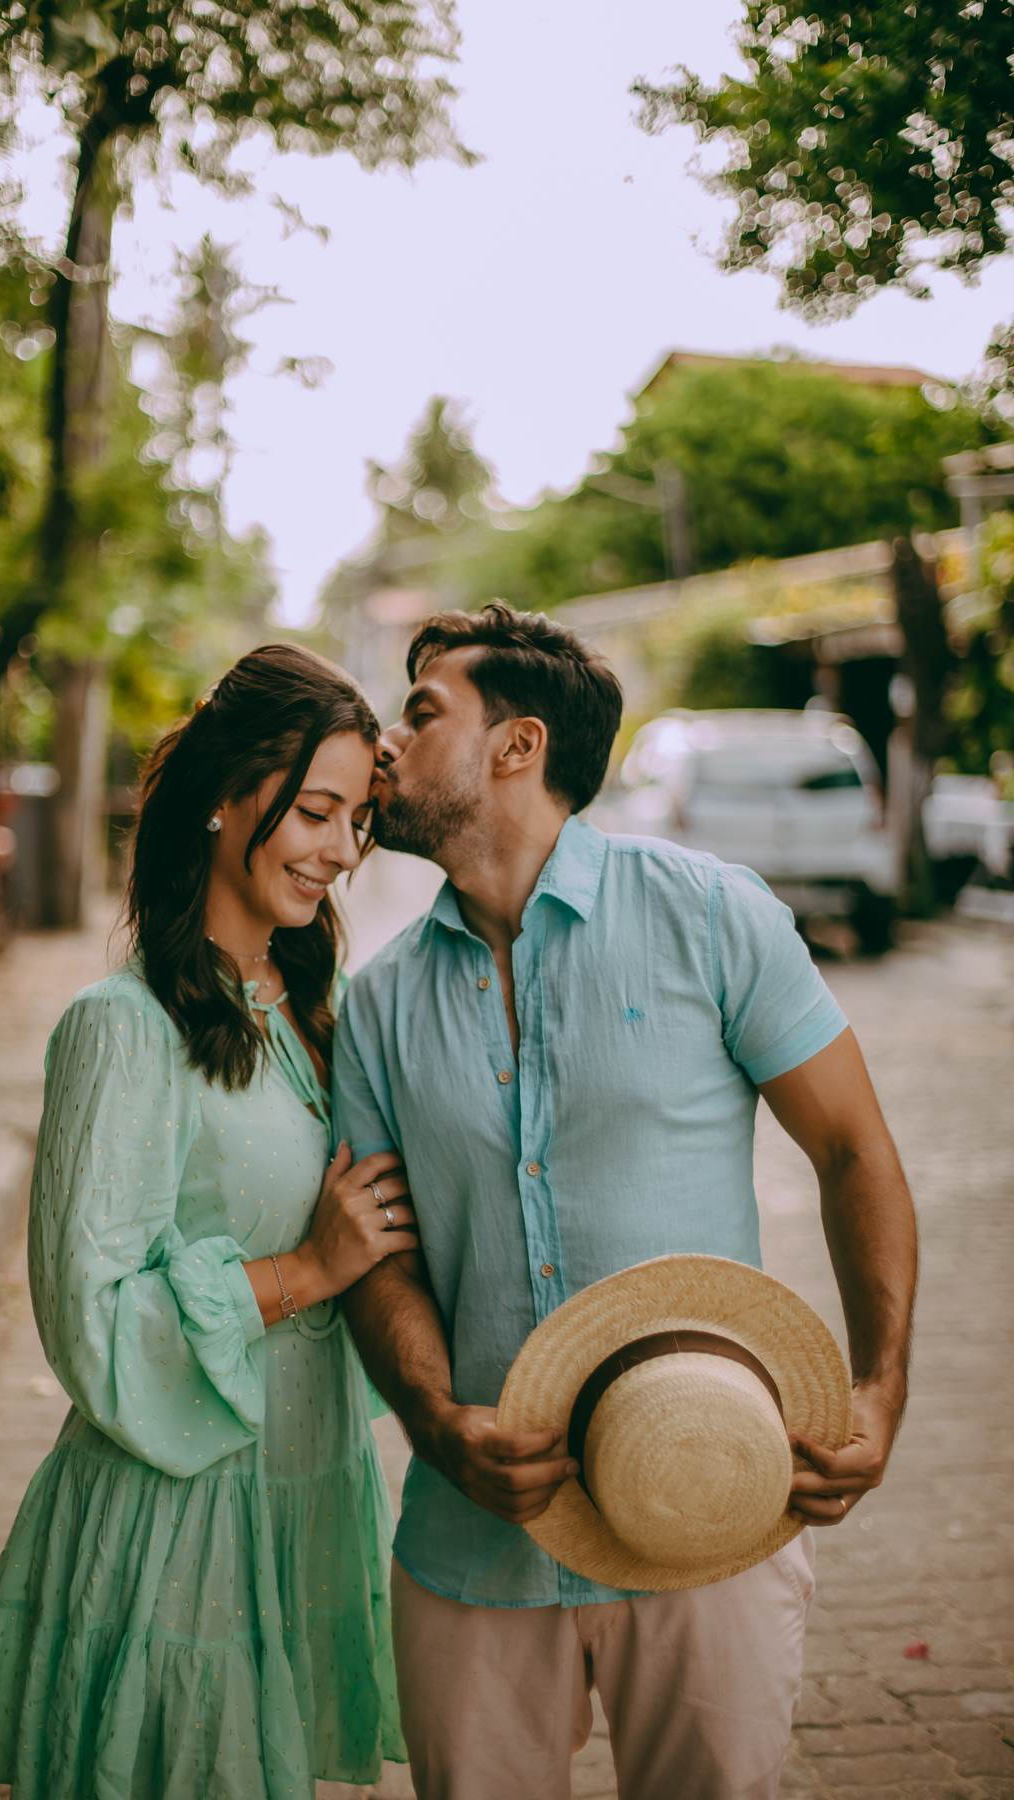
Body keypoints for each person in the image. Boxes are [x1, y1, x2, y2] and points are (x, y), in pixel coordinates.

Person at [334, 604, 918, 1800]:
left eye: (421, 711)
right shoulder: (378, 1002)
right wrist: (438, 1421)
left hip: (715, 1506)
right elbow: (377, 1252)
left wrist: (880, 1391)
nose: (383, 745)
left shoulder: (710, 915)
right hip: (469, 1542)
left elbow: (855, 1149)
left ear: (517, 745)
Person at [0, 644, 415, 1800]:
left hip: (302, 1480)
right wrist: (308, 1269)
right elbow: (91, 1319)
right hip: (184, 1509)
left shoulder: (305, 1008)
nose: (341, 851)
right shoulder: (123, 1028)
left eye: (359, 823)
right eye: (315, 812)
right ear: (223, 801)